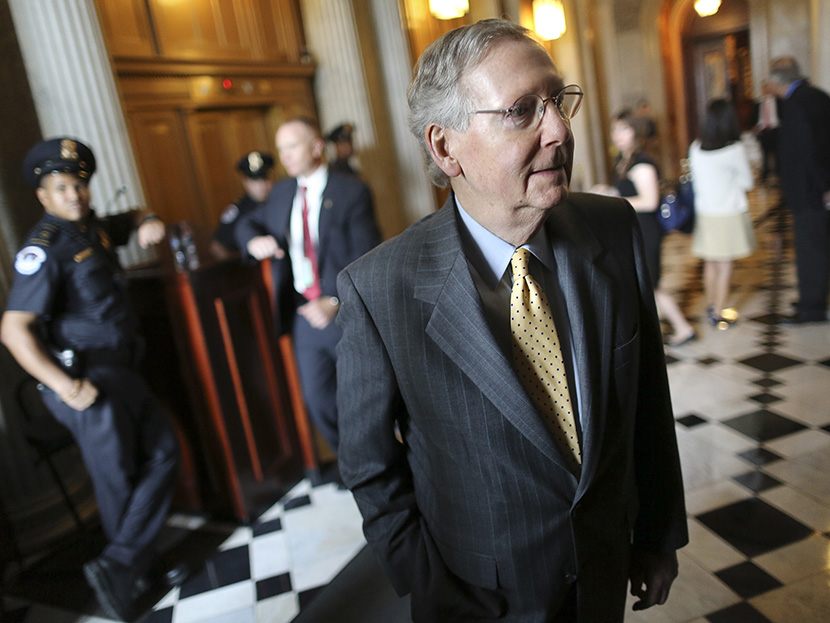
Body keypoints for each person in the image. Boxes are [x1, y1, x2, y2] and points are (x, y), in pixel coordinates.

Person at [336, 19, 687, 623]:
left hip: (602, 574)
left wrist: (657, 535)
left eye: (557, 100)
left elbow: (646, 399)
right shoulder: (379, 289)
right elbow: (371, 469)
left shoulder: (612, 227)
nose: (559, 129)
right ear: (445, 148)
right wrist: (432, 588)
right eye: (522, 111)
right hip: (479, 598)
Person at [0, 138, 180, 621]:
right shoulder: (45, 249)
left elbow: (138, 214)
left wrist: (148, 223)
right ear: (43, 196)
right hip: (83, 377)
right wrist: (64, 386)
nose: (74, 194)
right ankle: (130, 576)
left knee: (163, 452)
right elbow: (13, 330)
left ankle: (123, 563)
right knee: (117, 476)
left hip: (119, 370)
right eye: (61, 187)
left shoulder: (93, 228)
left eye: (79, 184)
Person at [235, 117, 380, 459]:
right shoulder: (283, 191)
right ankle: (355, 466)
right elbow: (247, 222)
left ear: (316, 147)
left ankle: (380, 463)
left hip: (344, 311)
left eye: (293, 146)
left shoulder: (350, 191)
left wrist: (334, 299)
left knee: (365, 397)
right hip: (303, 315)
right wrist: (254, 240)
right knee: (318, 400)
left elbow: (368, 254)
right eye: (281, 147)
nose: (284, 155)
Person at [605, 110, 697, 345]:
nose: (617, 135)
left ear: (636, 132)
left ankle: (682, 328)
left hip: (647, 231)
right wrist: (606, 193)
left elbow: (649, 201)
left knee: (650, 286)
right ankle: (660, 330)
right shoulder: (623, 160)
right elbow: (627, 192)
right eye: (615, 129)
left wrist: (614, 202)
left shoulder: (642, 162)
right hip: (633, 230)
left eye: (623, 129)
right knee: (643, 285)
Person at [766, 56, 830, 324]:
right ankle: (811, 298)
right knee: (814, 246)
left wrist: (825, 186)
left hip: (809, 190)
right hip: (814, 187)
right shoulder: (816, 95)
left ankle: (812, 307)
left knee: (810, 249)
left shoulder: (796, 104)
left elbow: (808, 151)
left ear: (778, 81)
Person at [689, 99, 756, 327]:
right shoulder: (734, 149)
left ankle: (711, 305)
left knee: (710, 263)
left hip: (706, 211)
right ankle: (718, 312)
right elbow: (747, 182)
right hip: (728, 212)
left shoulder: (696, 147)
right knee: (725, 265)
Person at [210, 151, 275, 259]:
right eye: (255, 180)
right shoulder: (237, 211)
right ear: (245, 182)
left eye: (264, 178)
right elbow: (217, 245)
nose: (261, 185)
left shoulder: (281, 202)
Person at [751, 81, 781, 185]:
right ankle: (765, 176)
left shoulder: (779, 102)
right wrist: (755, 127)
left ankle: (778, 175)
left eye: (768, 88)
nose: (766, 90)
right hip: (763, 131)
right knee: (765, 154)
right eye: (764, 88)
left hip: (776, 130)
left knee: (777, 154)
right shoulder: (758, 103)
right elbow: (752, 118)